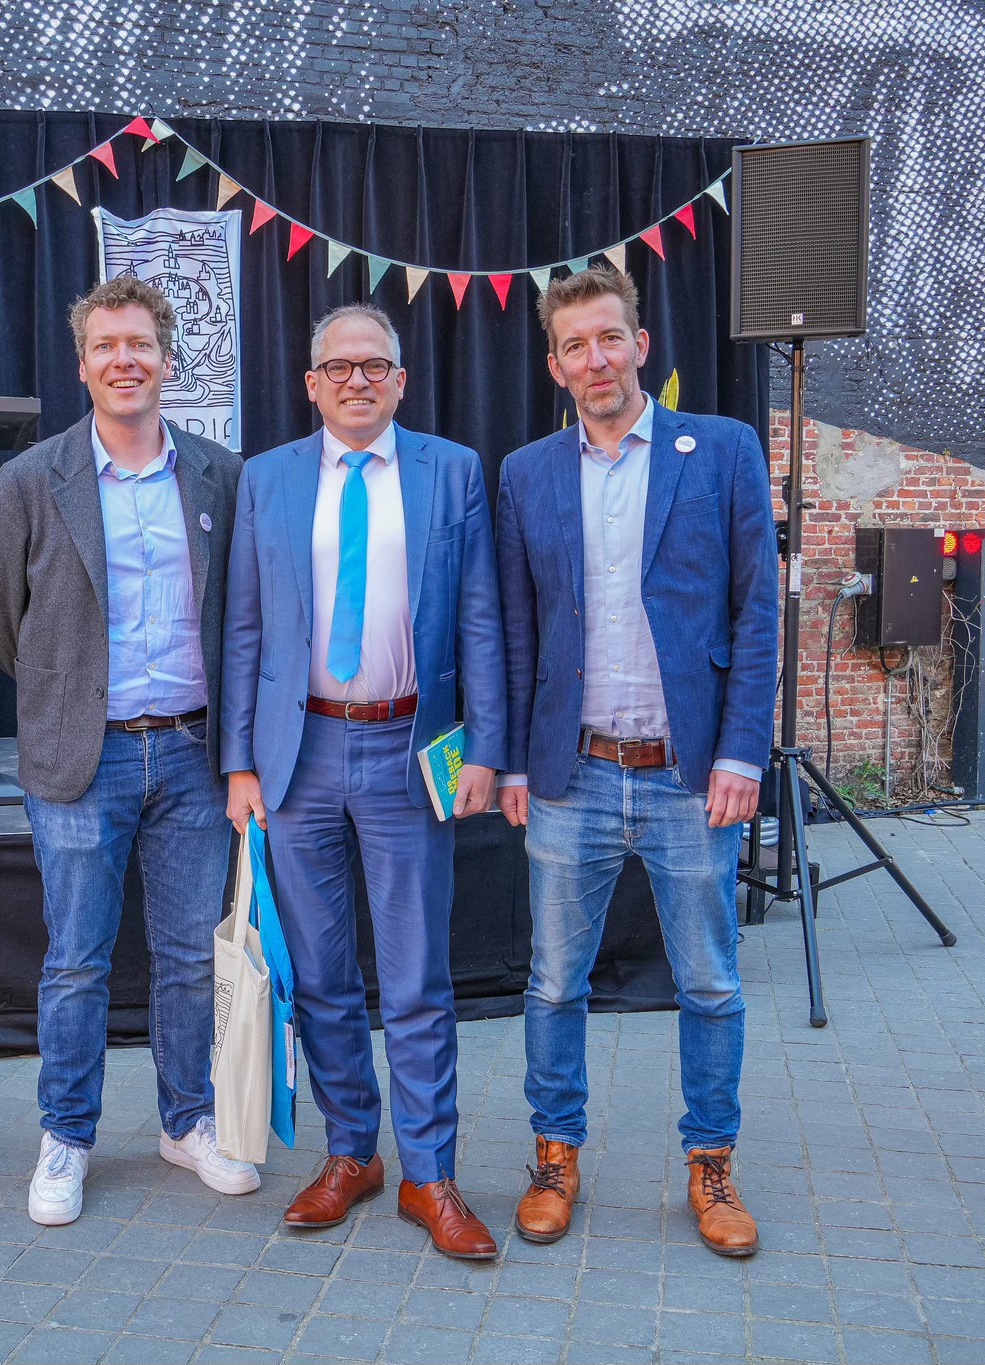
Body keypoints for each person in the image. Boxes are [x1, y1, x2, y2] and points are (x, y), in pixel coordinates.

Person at [494, 265, 778, 1257]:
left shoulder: (723, 451)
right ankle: (553, 1156)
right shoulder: (526, 473)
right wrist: (516, 762)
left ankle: (710, 1164)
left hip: (688, 774)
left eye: (608, 337)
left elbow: (755, 614)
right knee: (552, 983)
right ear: (554, 364)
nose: (594, 358)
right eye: (573, 345)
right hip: (570, 772)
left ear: (639, 346)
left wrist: (743, 748)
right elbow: (519, 631)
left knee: (706, 983)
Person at [222, 304, 507, 1260]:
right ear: (310, 383)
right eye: (337, 367)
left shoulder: (451, 471)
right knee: (324, 972)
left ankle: (429, 1172)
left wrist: (487, 752)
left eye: (373, 366)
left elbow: (480, 624)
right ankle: (354, 1153)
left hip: (405, 749)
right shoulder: (266, 479)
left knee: (418, 974)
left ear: (399, 380)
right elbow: (246, 632)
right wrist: (240, 762)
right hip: (296, 755)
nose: (355, 381)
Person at [0, 275, 253, 1227]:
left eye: (141, 344)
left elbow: (242, 618)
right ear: (84, 362)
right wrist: (67, 694)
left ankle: (187, 1121)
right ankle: (67, 1135)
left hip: (190, 756)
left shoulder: (221, 474)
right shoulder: (29, 480)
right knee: (76, 962)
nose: (124, 360)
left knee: (185, 955)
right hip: (77, 759)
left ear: (169, 361)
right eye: (106, 346)